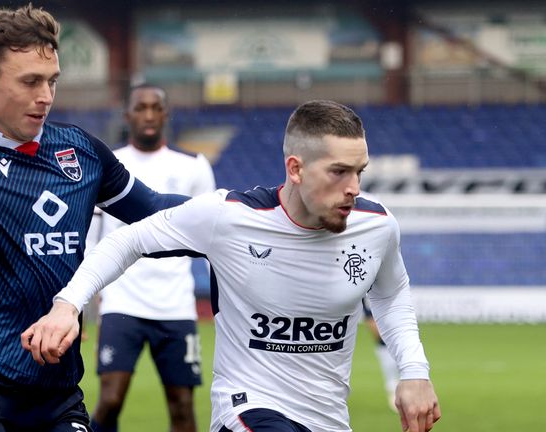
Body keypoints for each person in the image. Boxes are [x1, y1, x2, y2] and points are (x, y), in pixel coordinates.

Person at [23, 100, 442, 432]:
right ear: (294, 169)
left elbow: (390, 294)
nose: (353, 188)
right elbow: (128, 239)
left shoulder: (377, 227)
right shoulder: (229, 217)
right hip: (247, 409)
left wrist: (414, 372)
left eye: (359, 172)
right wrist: (68, 304)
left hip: (328, 417)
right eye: (338, 172)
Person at [0, 5, 186, 432]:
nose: (46, 96)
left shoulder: (81, 151)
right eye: (30, 81)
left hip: (59, 390)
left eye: (52, 81)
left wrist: (238, 204)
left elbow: (155, 211)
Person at [88, 84, 215, 432]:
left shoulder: (194, 166)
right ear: (127, 115)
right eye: (140, 108)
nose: (147, 114)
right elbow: (92, 236)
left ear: (165, 114)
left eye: (154, 107)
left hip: (175, 305)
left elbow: (211, 235)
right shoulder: (108, 163)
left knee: (183, 407)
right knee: (110, 400)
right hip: (121, 302)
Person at [363, 298, 400, 412]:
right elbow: (369, 317)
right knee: (389, 365)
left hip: (395, 330)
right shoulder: (366, 291)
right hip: (384, 341)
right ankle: (394, 393)